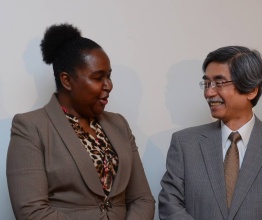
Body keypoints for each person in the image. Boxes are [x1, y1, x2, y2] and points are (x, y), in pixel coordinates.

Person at [6, 23, 155, 220]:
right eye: (98, 77)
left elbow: (142, 198)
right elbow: (31, 211)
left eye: (109, 76)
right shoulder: (30, 127)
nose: (109, 85)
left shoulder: (119, 124)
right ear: (67, 80)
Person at [158, 46, 262, 219]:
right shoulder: (184, 143)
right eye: (207, 83)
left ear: (251, 90)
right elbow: (169, 205)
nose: (209, 92)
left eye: (219, 83)